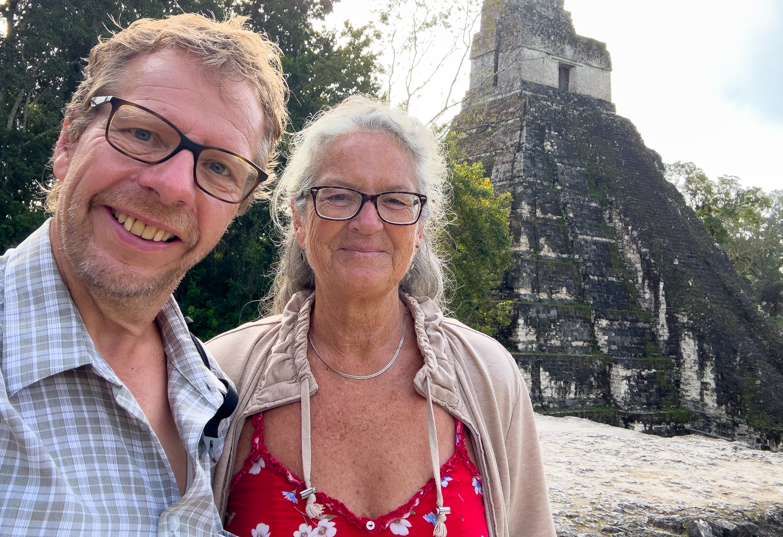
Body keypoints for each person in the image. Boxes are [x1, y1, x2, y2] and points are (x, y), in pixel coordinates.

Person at [0, 14, 287, 536]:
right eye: (142, 132)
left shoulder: (218, 403)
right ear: (68, 141)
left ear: (235, 210)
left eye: (218, 167)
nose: (173, 186)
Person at [206, 96, 554, 537]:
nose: (368, 222)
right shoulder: (224, 377)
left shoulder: (488, 377)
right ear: (298, 219)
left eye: (395, 200)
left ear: (420, 224)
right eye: (338, 195)